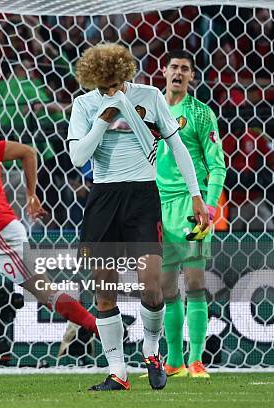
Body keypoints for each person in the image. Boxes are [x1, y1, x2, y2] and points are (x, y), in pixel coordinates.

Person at [67, 43, 209, 391]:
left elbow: (177, 147)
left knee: (152, 285)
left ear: (124, 74)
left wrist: (196, 196)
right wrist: (102, 119)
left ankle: (151, 350)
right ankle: (118, 371)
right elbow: (77, 157)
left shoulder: (148, 96)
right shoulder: (85, 105)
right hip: (103, 197)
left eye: (113, 84)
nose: (109, 91)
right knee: (105, 292)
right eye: (102, 86)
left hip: (144, 197)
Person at [0, 108, 100, 347]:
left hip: (1, 236)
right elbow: (28, 152)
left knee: (45, 293)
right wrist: (31, 194)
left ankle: (99, 328)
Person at [157, 50, 226, 379]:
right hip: (159, 207)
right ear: (165, 71)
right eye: (174, 67)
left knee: (195, 283)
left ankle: (196, 359)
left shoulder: (200, 113)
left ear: (192, 77)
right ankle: (174, 361)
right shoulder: (150, 110)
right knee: (167, 288)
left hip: (192, 204)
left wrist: (210, 205)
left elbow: (217, 164)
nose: (179, 73)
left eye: (185, 69)